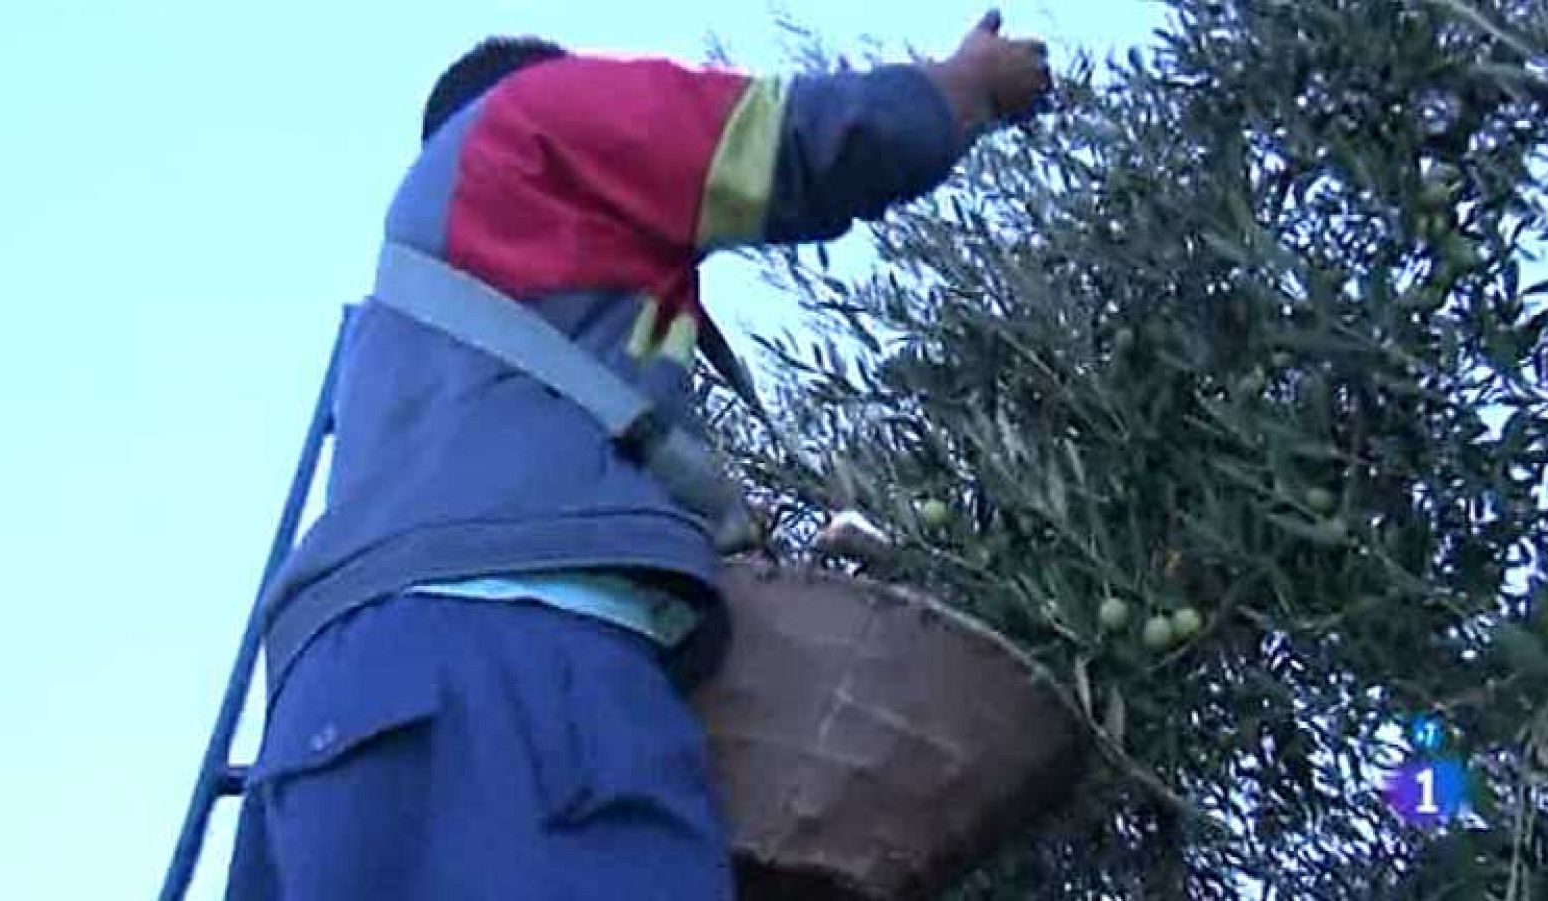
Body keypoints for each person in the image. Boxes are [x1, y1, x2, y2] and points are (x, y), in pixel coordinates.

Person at [224, 10, 1049, 900]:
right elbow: (792, 141)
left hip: (326, 713)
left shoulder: (411, 342)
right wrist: (967, 89)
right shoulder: (537, 116)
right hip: (516, 668)